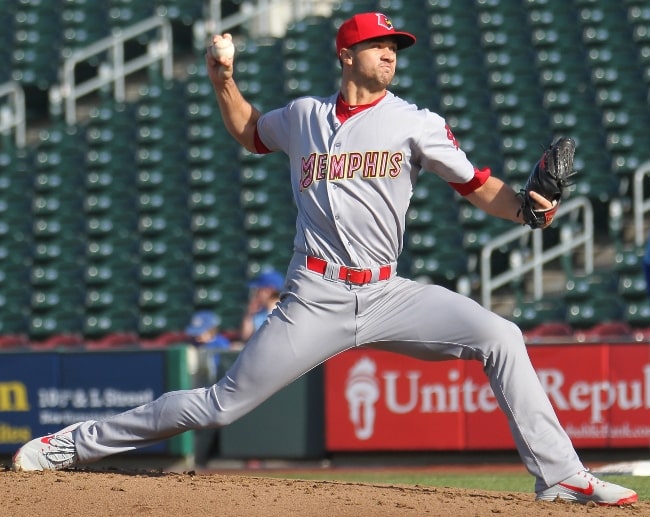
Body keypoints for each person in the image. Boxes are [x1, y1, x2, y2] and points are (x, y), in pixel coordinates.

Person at [12, 12, 637, 506]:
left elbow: (478, 186)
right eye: (378, 44)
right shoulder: (305, 117)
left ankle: (559, 477)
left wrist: (528, 209)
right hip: (315, 296)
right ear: (346, 54)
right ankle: (66, 447)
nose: (391, 53)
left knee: (501, 335)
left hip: (390, 293)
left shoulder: (414, 122)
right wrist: (221, 78)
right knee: (220, 404)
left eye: (396, 45)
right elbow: (250, 132)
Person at [185, 310, 233, 379]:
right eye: (194, 335)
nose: (196, 337)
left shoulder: (220, 343)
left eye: (199, 334)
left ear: (211, 330)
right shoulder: (195, 344)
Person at [239, 269, 285, 341]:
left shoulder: (284, 310)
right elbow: (245, 336)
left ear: (269, 290)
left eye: (259, 289)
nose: (256, 292)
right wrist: (249, 314)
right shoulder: (259, 310)